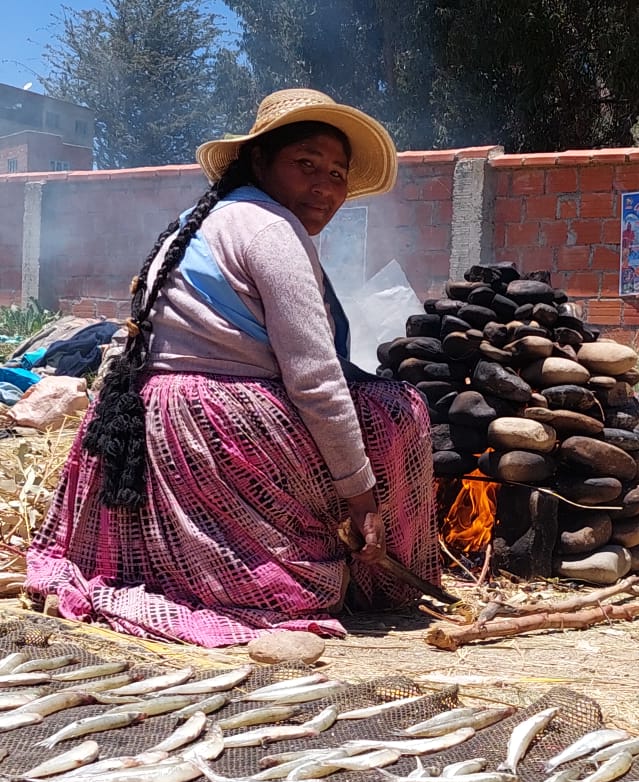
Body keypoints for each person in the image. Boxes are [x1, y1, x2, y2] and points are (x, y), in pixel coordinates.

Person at [25, 89, 441, 646]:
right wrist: (361, 494)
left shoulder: (203, 220)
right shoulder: (271, 229)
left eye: (338, 174)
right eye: (306, 165)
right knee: (396, 411)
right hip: (216, 420)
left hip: (159, 412)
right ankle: (379, 578)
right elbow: (315, 378)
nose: (325, 186)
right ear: (260, 161)